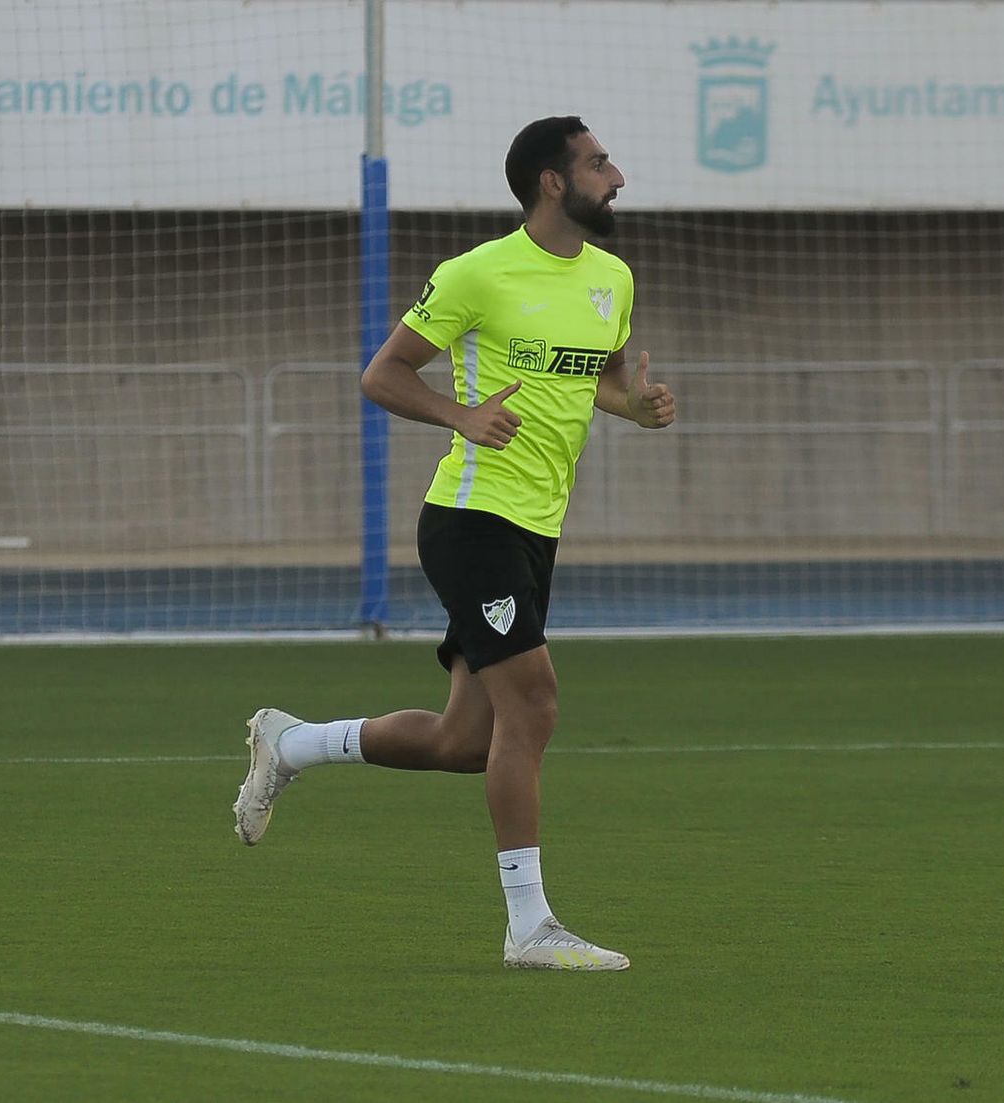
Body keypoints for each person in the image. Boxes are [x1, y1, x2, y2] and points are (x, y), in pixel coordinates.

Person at [233, 116, 675, 970]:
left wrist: (640, 406)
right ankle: (529, 927)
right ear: (553, 181)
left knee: (464, 741)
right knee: (536, 703)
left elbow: (606, 381)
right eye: (598, 163)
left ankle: (289, 743)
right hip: (472, 521)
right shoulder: (478, 272)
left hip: (537, 528)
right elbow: (383, 373)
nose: (617, 176)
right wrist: (460, 415)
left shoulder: (613, 278)